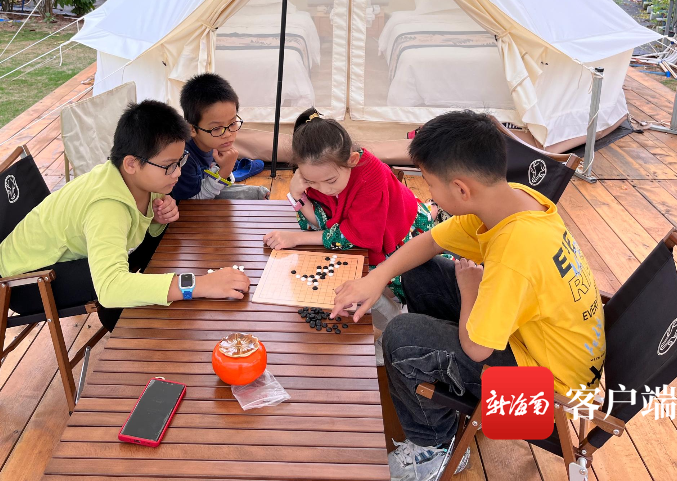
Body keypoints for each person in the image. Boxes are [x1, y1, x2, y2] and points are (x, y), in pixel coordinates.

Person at [330, 111, 606, 481]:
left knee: (401, 336)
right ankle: (435, 376)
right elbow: (432, 241)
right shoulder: (513, 200)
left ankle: (434, 449)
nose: (429, 194)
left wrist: (469, 290)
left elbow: (477, 349)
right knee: (419, 271)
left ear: (461, 189)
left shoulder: (515, 252)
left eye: (430, 184)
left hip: (540, 398)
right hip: (543, 349)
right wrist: (376, 278)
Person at [0, 99, 250, 331]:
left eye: (180, 161)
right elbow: (110, 288)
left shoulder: (137, 179)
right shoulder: (106, 206)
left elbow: (142, 228)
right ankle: (130, 338)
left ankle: (138, 322)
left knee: (154, 253)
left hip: (61, 259)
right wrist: (198, 284)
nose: (177, 173)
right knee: (119, 296)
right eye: (169, 166)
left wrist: (157, 218)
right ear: (131, 163)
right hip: (25, 283)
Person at [263, 109, 437, 299]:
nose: (324, 189)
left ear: (352, 160)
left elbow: (354, 236)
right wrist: (298, 195)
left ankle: (433, 210)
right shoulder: (318, 174)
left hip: (398, 230)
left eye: (330, 181)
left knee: (396, 286)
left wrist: (296, 238)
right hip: (363, 227)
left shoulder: (372, 176)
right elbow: (322, 223)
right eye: (312, 182)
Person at [171, 73, 269, 201]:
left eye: (232, 123)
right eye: (216, 128)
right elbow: (192, 202)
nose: (227, 134)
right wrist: (225, 169)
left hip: (205, 189)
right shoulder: (184, 158)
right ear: (192, 129)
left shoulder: (212, 143)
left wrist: (226, 169)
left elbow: (221, 185)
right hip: (185, 205)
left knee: (256, 194)